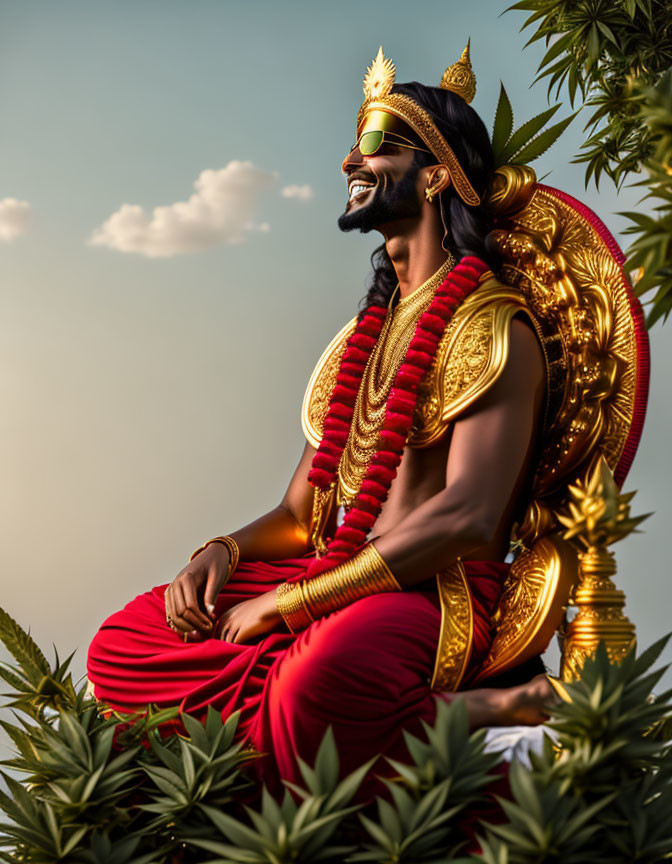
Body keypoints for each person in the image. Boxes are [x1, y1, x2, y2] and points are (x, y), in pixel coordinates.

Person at [87, 45, 563, 797]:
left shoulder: (493, 327)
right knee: (125, 645)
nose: (349, 160)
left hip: (426, 593)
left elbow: (470, 516)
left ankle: (481, 707)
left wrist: (287, 604)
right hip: (330, 565)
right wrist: (220, 554)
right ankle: (365, 709)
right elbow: (302, 513)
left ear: (438, 174)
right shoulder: (361, 339)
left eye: (376, 145)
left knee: (312, 680)